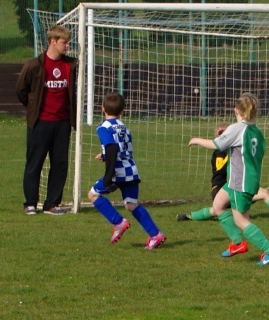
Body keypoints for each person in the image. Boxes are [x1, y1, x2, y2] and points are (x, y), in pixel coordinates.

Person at [188, 93, 269, 266]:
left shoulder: (237, 128)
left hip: (240, 182)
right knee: (218, 205)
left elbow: (217, 145)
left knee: (241, 220)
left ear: (236, 110)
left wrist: (196, 140)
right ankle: (237, 244)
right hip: (241, 180)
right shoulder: (256, 131)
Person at [177, 123, 269, 223]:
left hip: (232, 187)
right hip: (223, 189)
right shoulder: (220, 152)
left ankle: (188, 216)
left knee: (215, 210)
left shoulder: (228, 149)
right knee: (263, 194)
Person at [87, 92, 166, 250]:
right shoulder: (125, 127)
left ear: (102, 108)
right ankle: (155, 234)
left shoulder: (103, 128)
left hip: (117, 171)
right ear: (122, 111)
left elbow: (112, 148)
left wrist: (109, 175)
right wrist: (104, 155)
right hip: (131, 169)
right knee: (131, 205)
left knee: (93, 194)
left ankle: (118, 222)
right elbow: (120, 149)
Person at [15, 25, 77, 215]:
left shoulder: (71, 65)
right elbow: (21, 90)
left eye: (68, 42)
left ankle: (52, 203)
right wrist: (33, 108)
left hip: (62, 123)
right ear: (53, 42)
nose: (67, 46)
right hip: (40, 123)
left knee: (60, 164)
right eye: (64, 42)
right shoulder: (34, 65)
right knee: (35, 163)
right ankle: (30, 203)